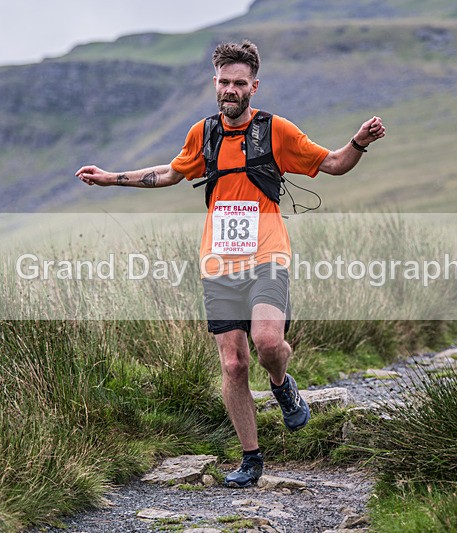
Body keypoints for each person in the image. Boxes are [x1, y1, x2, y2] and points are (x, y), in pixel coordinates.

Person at [76, 40, 385, 488]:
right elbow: (168, 174)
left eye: (239, 83)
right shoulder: (202, 134)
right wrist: (111, 178)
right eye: (223, 82)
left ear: (254, 87)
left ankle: (282, 383)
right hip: (219, 263)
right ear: (214, 83)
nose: (230, 90)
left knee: (266, 343)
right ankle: (251, 459)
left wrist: (359, 141)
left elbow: (334, 164)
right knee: (234, 364)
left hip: (268, 256)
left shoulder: (277, 131)